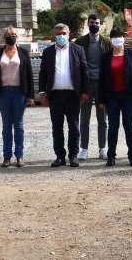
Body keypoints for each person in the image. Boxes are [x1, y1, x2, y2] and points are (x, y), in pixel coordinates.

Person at [39, 23, 89, 168]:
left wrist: (85, 91)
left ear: (68, 34)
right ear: (54, 35)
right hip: (55, 95)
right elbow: (43, 74)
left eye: (64, 33)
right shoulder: (48, 52)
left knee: (74, 127)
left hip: (73, 95)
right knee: (57, 127)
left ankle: (73, 156)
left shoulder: (78, 50)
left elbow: (84, 71)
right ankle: (60, 156)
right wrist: (42, 93)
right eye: (58, 34)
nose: (61, 36)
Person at [0, 26, 35, 168]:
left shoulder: (23, 53)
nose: (11, 36)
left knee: (19, 125)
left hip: (19, 92)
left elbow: (29, 75)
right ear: (4, 38)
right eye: (9, 35)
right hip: (3, 92)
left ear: (17, 37)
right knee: (6, 125)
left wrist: (30, 95)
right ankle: (7, 157)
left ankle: (19, 156)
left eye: (14, 34)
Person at [97, 27, 132, 166]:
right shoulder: (106, 57)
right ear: (111, 39)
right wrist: (101, 99)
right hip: (111, 96)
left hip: (129, 96)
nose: (118, 39)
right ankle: (111, 156)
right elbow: (101, 79)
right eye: (115, 37)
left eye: (120, 36)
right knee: (113, 127)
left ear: (124, 38)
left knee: (129, 126)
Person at [74, 14, 112, 160]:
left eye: (96, 23)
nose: (94, 25)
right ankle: (84, 148)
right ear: (87, 24)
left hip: (102, 84)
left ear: (100, 24)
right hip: (86, 84)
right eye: (91, 22)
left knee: (102, 118)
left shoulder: (106, 42)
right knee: (84, 117)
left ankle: (102, 148)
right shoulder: (80, 42)